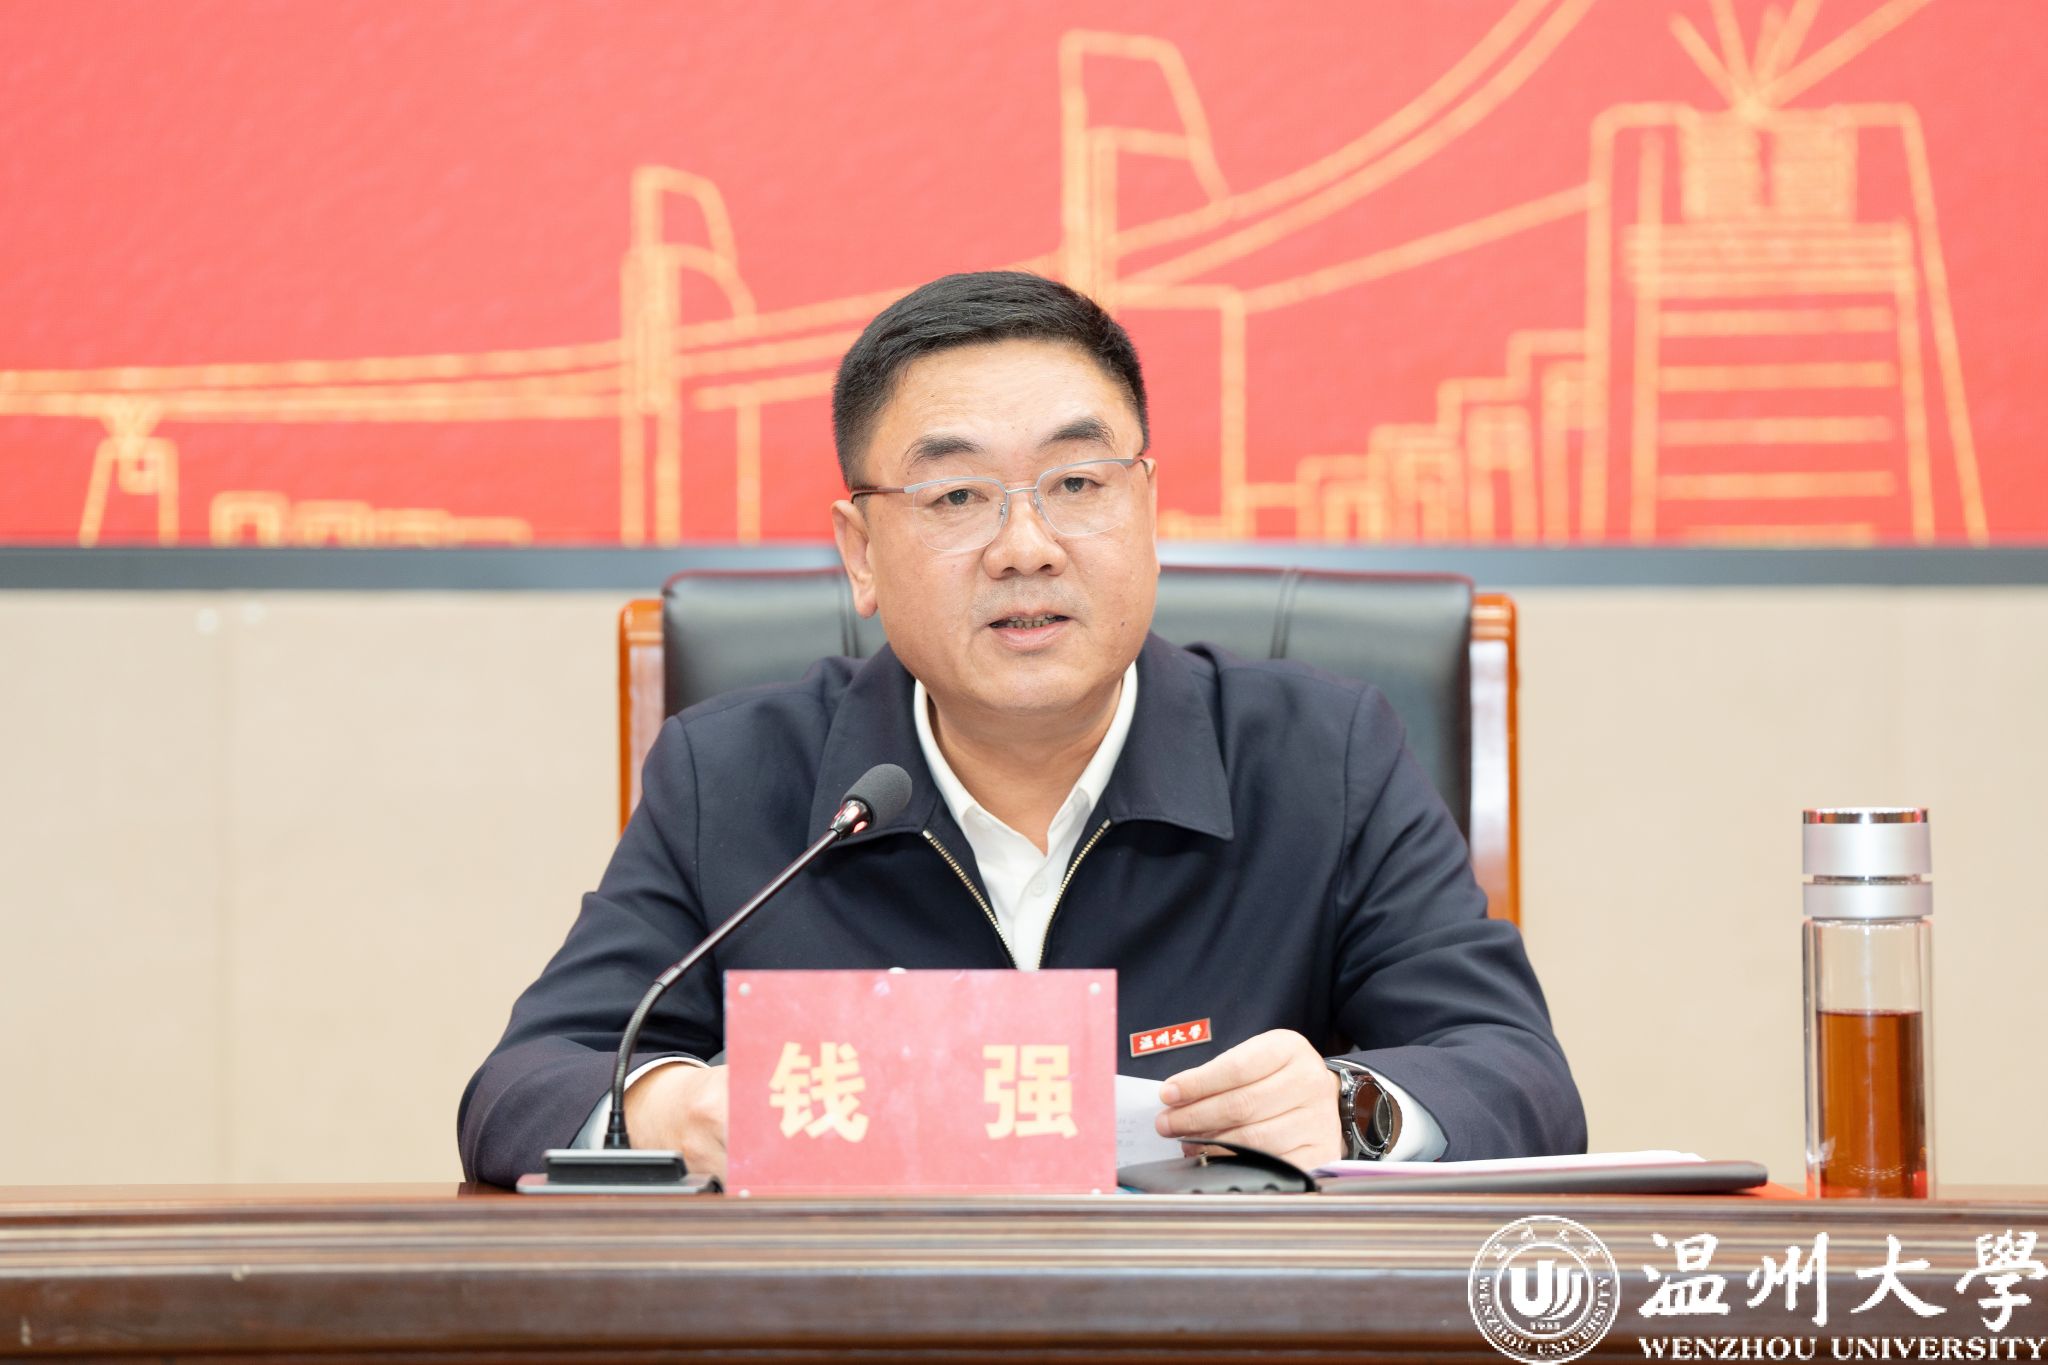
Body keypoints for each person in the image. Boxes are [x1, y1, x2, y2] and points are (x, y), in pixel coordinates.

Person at [458, 271, 1585, 1188]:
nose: (1026, 547)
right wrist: (670, 1106)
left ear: (1147, 510)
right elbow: (523, 1086)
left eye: (1078, 483)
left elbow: (1516, 1076)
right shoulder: (735, 775)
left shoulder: (1320, 757)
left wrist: (1351, 1106)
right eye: (956, 498)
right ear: (860, 553)